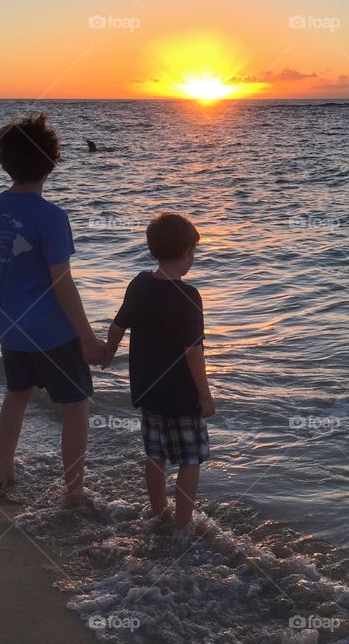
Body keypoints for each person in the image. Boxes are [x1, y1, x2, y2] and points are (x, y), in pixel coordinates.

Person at [0, 113, 104, 505]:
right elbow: (61, 282)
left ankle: (4, 469)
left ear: (5, 162)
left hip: (9, 326)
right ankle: (74, 488)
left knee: (17, 393)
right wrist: (87, 336)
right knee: (75, 405)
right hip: (51, 330)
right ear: (52, 162)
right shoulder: (52, 217)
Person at [103, 212, 215, 529]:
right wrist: (205, 396)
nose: (193, 257)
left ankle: (157, 513)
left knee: (156, 454)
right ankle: (182, 525)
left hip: (147, 390)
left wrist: (108, 355)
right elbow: (193, 351)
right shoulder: (189, 297)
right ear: (185, 253)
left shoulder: (139, 284)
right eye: (193, 251)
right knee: (189, 459)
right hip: (181, 397)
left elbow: (116, 327)